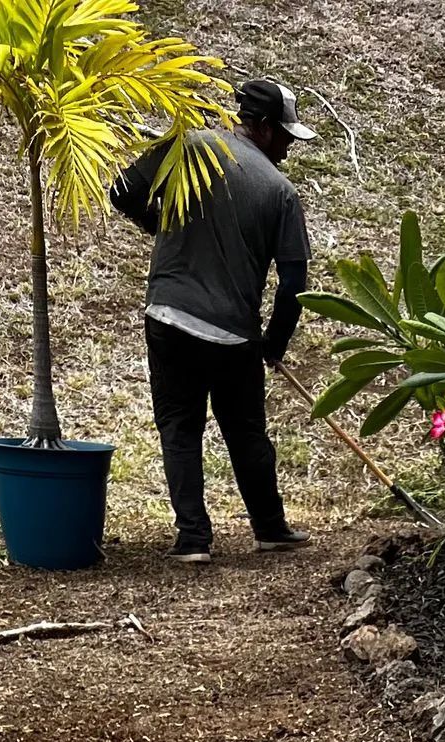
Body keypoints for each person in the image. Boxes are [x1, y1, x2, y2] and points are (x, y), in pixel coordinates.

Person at [111, 76, 315, 563]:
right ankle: (269, 528)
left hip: (169, 314)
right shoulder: (279, 191)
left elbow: (121, 191)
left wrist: (157, 223)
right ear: (263, 128)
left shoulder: (187, 146)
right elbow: (294, 284)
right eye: (285, 135)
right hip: (233, 332)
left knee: (180, 426)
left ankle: (194, 540)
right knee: (245, 430)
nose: (288, 146)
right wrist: (274, 343)